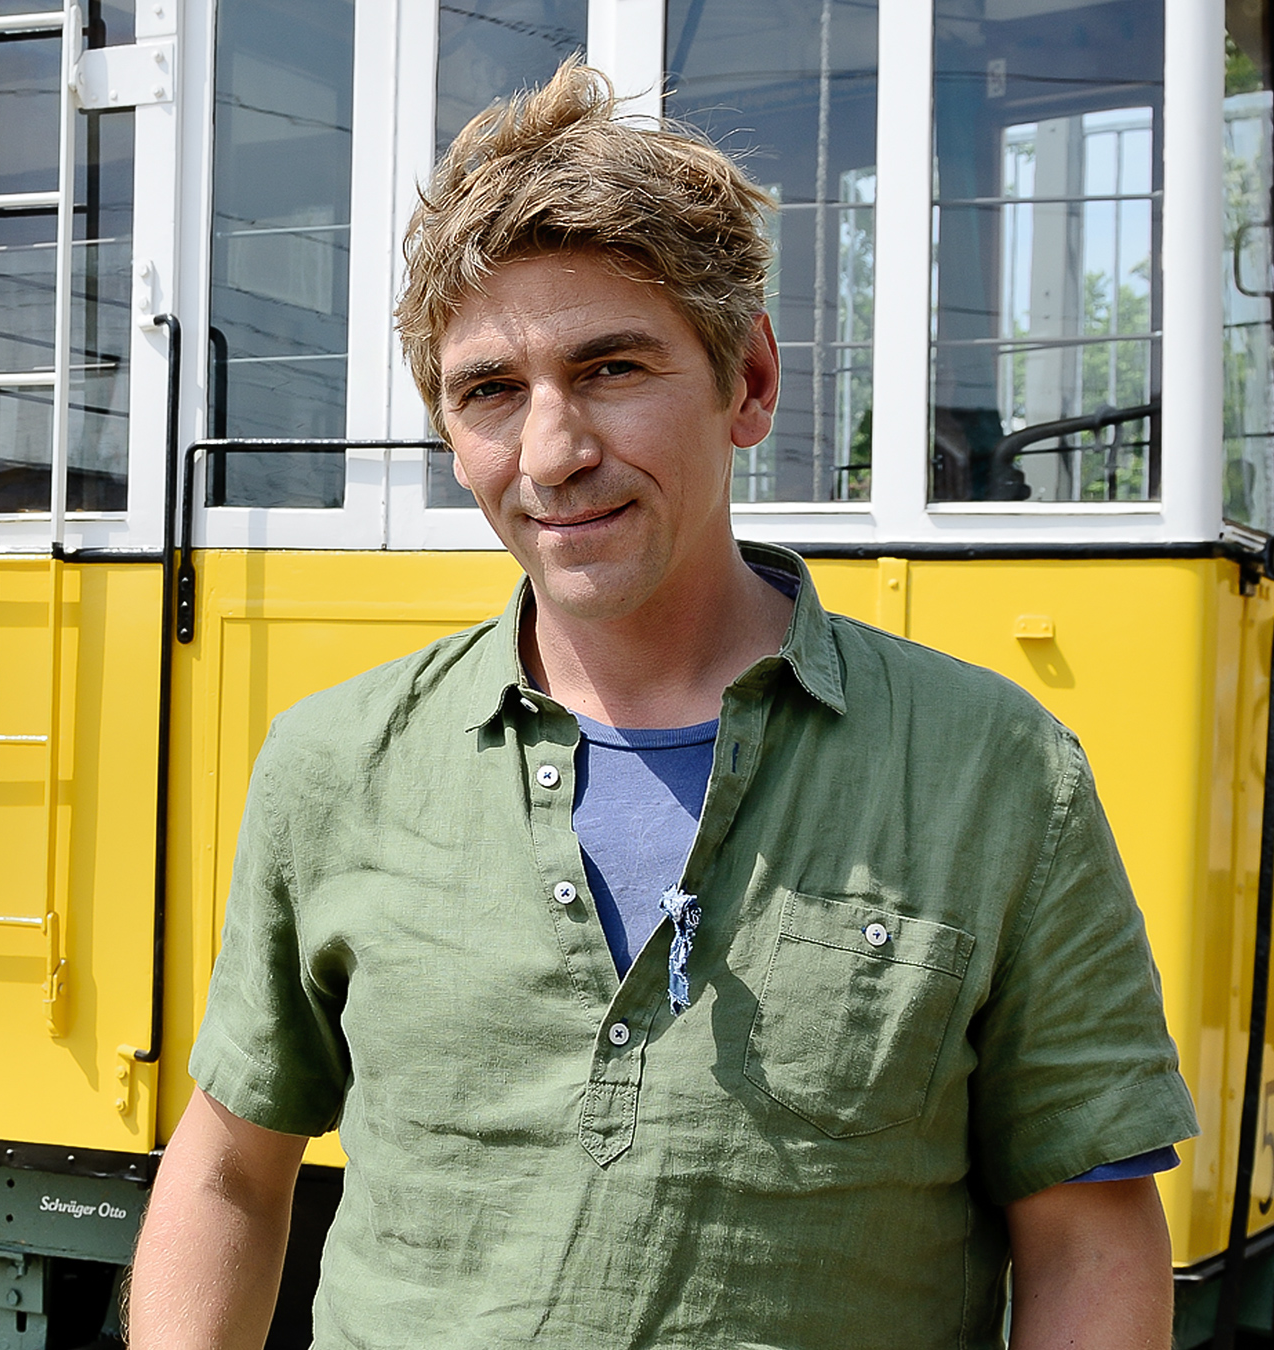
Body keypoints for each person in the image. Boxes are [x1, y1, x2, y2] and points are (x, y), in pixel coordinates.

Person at [127, 59, 1198, 1349]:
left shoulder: (998, 773)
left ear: (747, 383)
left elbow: (1088, 1233)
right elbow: (234, 1170)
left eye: (613, 367)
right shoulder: (335, 764)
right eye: (489, 392)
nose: (552, 452)